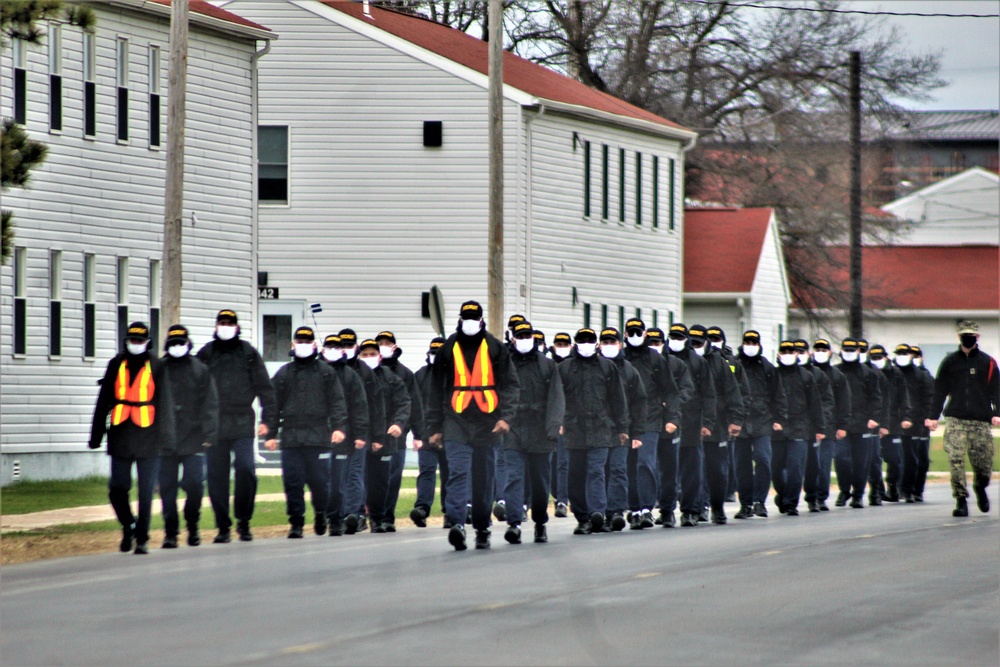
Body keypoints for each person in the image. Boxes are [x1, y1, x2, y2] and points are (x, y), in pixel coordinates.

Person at [426, 300, 520, 551]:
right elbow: (435, 390)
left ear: (481, 320)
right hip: (456, 420)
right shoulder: (448, 348)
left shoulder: (496, 348)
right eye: (465, 317)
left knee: (484, 478)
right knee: (457, 472)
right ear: (459, 319)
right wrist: (434, 427)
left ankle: (482, 528)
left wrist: (506, 418)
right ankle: (457, 523)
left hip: (489, 423)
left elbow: (510, 386)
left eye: (473, 317)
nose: (469, 322)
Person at [88, 321, 175, 555]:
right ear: (126, 342)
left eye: (140, 341)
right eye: (132, 340)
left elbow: (165, 404)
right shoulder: (116, 364)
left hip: (149, 436)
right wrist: (96, 434)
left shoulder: (157, 366)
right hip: (121, 434)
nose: (136, 344)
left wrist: (168, 438)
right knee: (117, 488)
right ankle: (129, 524)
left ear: (148, 343)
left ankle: (142, 538)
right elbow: (104, 399)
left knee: (146, 491)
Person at [196, 309, 276, 543]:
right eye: (222, 322)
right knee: (216, 476)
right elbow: (195, 388)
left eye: (230, 323)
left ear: (237, 327)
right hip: (214, 423)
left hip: (242, 419)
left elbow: (265, 389)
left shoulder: (248, 353)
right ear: (216, 325)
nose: (226, 326)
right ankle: (222, 526)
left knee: (245, 470)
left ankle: (244, 521)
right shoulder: (206, 353)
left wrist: (268, 422)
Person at [266, 327, 348, 538]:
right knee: (293, 483)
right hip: (291, 438)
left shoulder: (326, 372)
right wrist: (270, 432)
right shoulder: (284, 373)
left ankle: (321, 512)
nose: (303, 344)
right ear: (293, 345)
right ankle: (296, 523)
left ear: (314, 345)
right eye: (299, 340)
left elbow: (338, 402)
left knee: (321, 483)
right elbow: (273, 405)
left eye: (307, 340)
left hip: (319, 436)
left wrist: (339, 427)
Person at [557, 328, 630, 535]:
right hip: (574, 429)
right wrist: (557, 422)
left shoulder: (607, 368)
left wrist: (622, 427)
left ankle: (597, 511)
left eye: (590, 340)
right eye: (582, 340)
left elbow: (618, 399)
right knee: (575, 475)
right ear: (576, 343)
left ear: (596, 343)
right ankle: (582, 517)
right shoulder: (564, 368)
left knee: (596, 470)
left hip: (601, 428)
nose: (586, 343)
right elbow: (556, 399)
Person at [928, 320, 1000, 517]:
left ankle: (980, 486)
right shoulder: (950, 362)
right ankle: (960, 499)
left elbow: (996, 390)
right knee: (955, 459)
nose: (968, 338)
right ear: (959, 337)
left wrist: (997, 413)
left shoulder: (988, 362)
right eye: (964, 335)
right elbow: (939, 390)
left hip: (980, 421)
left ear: (977, 337)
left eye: (972, 335)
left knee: (984, 464)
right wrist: (933, 416)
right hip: (956, 420)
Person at [502, 321, 565, 544]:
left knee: (540, 482)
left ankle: (540, 522)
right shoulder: (505, 363)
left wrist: (553, 427)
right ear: (513, 339)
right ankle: (514, 523)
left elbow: (556, 398)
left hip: (541, 431)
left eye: (528, 335)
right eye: (520, 335)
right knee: (513, 477)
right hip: (514, 428)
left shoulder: (547, 366)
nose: (524, 339)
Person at [158, 325, 218, 548]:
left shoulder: (199, 369)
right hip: (164, 438)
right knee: (166, 488)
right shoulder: (159, 369)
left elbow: (210, 403)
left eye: (180, 343)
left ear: (188, 344)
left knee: (194, 483)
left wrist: (210, 433)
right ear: (167, 346)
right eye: (172, 344)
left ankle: (192, 524)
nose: (176, 347)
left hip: (193, 437)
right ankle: (170, 531)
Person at [623, 318, 683, 529]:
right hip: (624, 420)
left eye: (639, 332)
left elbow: (671, 390)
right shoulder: (620, 358)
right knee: (626, 465)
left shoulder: (655, 359)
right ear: (625, 334)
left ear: (645, 334)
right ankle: (634, 508)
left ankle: (647, 508)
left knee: (645, 462)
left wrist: (672, 418)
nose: (635, 336)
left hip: (650, 418)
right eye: (631, 332)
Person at [689, 324, 745, 524]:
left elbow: (732, 392)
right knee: (696, 469)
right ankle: (698, 507)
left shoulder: (719, 363)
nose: (695, 345)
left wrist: (736, 419)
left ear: (706, 342)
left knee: (718, 470)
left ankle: (717, 506)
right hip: (692, 424)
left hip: (718, 423)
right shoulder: (686, 362)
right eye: (692, 342)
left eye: (699, 342)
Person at [357, 339, 411, 533]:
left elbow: (404, 402)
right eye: (365, 354)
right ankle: (357, 515)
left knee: (380, 481)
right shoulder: (354, 376)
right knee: (357, 478)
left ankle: (378, 518)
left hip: (385, 436)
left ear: (380, 356)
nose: (369, 358)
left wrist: (399, 424)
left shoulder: (391, 377)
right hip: (359, 437)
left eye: (373, 354)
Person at [665, 324, 717, 527]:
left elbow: (708, 394)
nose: (676, 340)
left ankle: (690, 510)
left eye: (679, 337)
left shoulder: (698, 362)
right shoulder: (664, 360)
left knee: (691, 470)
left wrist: (708, 422)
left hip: (692, 422)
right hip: (668, 422)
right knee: (667, 469)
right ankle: (667, 509)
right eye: (673, 336)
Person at [733, 330, 786, 519]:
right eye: (747, 341)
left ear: (759, 344)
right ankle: (746, 503)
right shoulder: (734, 364)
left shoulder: (767, 367)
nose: (750, 345)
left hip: (763, 421)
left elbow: (778, 395)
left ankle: (759, 501)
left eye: (753, 342)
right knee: (741, 465)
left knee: (763, 459)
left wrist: (779, 419)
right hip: (740, 421)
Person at [320, 334, 370, 536]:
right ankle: (323, 514)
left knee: (345, 478)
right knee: (322, 479)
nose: (333, 350)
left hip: (345, 435)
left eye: (338, 346)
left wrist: (359, 433)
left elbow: (360, 406)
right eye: (329, 346)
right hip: (319, 434)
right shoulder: (318, 372)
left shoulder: (351, 375)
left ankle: (344, 516)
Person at [771, 341, 825, 516]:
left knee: (795, 467)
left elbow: (815, 403)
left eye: (791, 351)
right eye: (784, 351)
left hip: (800, 428)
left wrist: (819, 427)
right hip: (777, 430)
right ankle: (783, 494)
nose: (787, 354)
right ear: (779, 354)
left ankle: (791, 503)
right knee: (777, 469)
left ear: (796, 354)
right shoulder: (773, 375)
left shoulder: (806, 376)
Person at [599, 327, 646, 531]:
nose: (609, 345)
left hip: (622, 429)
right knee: (600, 471)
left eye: (612, 342)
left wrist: (636, 433)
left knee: (618, 469)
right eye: (605, 342)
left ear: (620, 344)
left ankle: (616, 511)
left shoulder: (629, 370)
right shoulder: (594, 367)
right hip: (597, 429)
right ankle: (599, 511)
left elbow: (639, 401)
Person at [376, 330, 423, 532]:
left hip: (397, 434)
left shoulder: (405, 374)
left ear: (394, 346)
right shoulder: (368, 371)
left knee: (392, 477)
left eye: (387, 343)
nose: (383, 346)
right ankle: (368, 515)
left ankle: (388, 516)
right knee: (371, 477)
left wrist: (417, 434)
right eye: (380, 343)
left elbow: (413, 404)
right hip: (373, 434)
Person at [832, 337, 882, 509]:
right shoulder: (835, 372)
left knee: (862, 461)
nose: (849, 353)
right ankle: (844, 489)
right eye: (846, 350)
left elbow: (876, 398)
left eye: (852, 350)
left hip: (863, 424)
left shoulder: (868, 373)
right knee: (841, 458)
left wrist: (874, 418)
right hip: (841, 425)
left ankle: (858, 495)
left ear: (859, 352)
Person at [803, 339, 849, 512]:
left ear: (830, 353)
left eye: (824, 349)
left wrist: (841, 425)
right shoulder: (808, 373)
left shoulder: (837, 375)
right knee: (809, 465)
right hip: (806, 428)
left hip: (828, 427)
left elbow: (843, 402)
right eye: (817, 349)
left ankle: (820, 497)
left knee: (823, 464)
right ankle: (809, 495)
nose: (820, 352)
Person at [866, 344, 913, 505]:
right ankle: (877, 490)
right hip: (872, 422)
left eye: (879, 358)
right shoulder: (868, 373)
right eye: (873, 358)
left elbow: (903, 397)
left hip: (892, 422)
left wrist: (906, 417)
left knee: (894, 458)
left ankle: (893, 486)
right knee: (873, 459)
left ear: (886, 358)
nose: (876, 361)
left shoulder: (896, 374)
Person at [410, 337, 449, 528]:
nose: (435, 357)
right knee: (426, 471)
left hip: (450, 435)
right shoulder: (421, 375)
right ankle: (422, 508)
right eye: (433, 353)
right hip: (427, 434)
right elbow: (416, 407)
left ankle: (450, 511)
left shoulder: (454, 375)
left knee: (450, 474)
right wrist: (417, 434)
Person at [901, 345, 935, 503]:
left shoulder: (925, 376)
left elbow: (930, 399)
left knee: (921, 458)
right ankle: (905, 489)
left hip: (921, 423)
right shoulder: (900, 373)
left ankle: (917, 489)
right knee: (906, 458)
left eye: (916, 356)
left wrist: (928, 418)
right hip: (905, 423)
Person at [548, 331, 573, 518]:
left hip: (567, 421)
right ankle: (557, 494)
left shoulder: (572, 367)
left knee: (563, 462)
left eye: (565, 344)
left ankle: (562, 500)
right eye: (559, 344)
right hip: (549, 421)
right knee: (550, 463)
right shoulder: (549, 366)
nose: (562, 348)